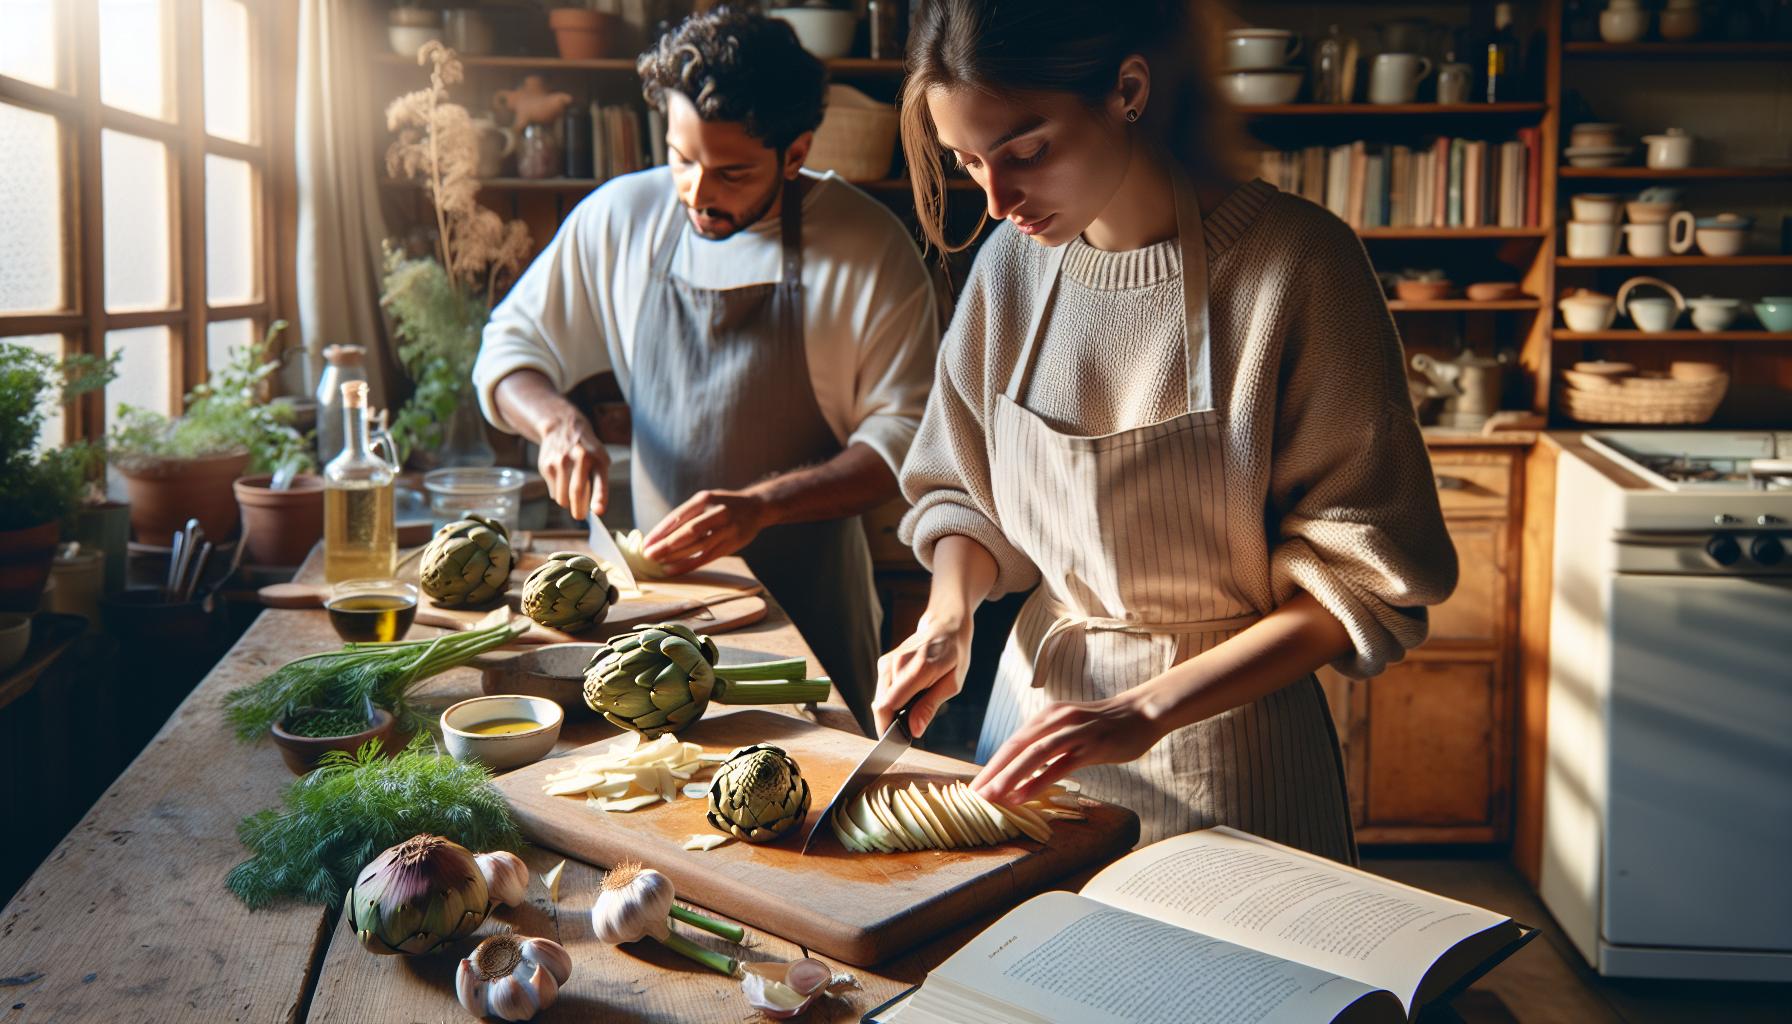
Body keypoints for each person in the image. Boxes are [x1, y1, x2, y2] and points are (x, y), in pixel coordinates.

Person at [877, 0, 1457, 856]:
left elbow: (1365, 579)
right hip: (1033, 729)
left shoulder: (1296, 264)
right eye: (968, 163)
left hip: (1232, 750)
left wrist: (1147, 708)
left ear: (1128, 91)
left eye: (1026, 151)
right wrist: (949, 618)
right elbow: (962, 491)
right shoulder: (1009, 267)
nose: (998, 201)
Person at [474, 7, 939, 734]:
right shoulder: (622, 219)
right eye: (680, 158)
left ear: (796, 152)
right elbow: (508, 352)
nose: (695, 191)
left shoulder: (868, 248)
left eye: (731, 172)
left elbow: (908, 444)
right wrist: (557, 422)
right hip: (652, 619)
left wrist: (762, 507)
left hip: (811, 615)